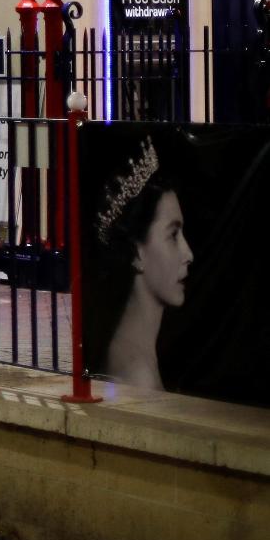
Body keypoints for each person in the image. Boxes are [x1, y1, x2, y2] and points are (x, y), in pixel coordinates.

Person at [87, 136, 192, 390]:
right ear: (136, 252)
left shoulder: (135, 352)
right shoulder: (137, 375)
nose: (188, 253)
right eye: (173, 235)